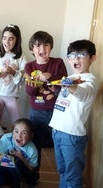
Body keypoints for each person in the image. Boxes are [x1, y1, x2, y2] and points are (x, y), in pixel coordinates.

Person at [49, 39, 98, 188]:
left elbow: (83, 93)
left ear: (92, 58)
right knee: (62, 170)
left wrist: (69, 87)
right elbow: (67, 98)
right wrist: (54, 90)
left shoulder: (91, 81)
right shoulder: (70, 78)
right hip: (57, 130)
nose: (75, 59)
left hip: (72, 135)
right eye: (71, 55)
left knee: (72, 176)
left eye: (82, 54)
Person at [24, 31, 67, 176]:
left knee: (60, 144)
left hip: (58, 110)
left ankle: (64, 176)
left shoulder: (58, 63)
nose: (42, 49)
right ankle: (33, 175)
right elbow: (30, 92)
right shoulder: (29, 67)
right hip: (37, 111)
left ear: (51, 47)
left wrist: (51, 77)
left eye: (46, 45)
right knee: (35, 144)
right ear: (32, 49)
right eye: (38, 46)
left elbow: (64, 83)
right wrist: (40, 80)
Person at [0, 24, 27, 127]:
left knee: (18, 124)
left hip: (12, 95)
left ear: (17, 40)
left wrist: (13, 72)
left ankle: (14, 142)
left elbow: (24, 79)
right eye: (4, 38)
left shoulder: (20, 57)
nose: (7, 42)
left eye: (11, 39)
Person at [0, 118, 38, 188]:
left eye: (24, 133)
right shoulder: (6, 138)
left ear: (30, 136)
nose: (19, 136)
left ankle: (19, 181)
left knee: (18, 163)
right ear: (12, 131)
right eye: (16, 131)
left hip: (22, 170)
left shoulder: (32, 150)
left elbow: (31, 167)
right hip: (5, 168)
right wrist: (10, 159)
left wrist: (20, 156)